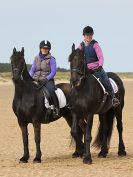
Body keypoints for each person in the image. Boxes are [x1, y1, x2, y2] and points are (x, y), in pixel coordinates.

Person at [79, 26, 120, 107]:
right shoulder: (81, 45)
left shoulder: (95, 44)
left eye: (90, 35)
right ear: (84, 36)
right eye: (87, 35)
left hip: (97, 69)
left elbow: (101, 56)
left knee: (106, 81)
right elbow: (77, 55)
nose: (89, 36)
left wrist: (100, 66)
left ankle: (113, 98)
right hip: (86, 71)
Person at [29, 40, 60, 117]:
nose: (45, 50)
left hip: (47, 80)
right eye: (43, 48)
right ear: (40, 48)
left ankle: (56, 109)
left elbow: (53, 72)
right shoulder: (36, 58)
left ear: (49, 49)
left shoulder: (52, 59)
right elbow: (32, 70)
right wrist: (29, 78)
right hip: (35, 79)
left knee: (51, 91)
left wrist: (46, 79)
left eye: (46, 48)